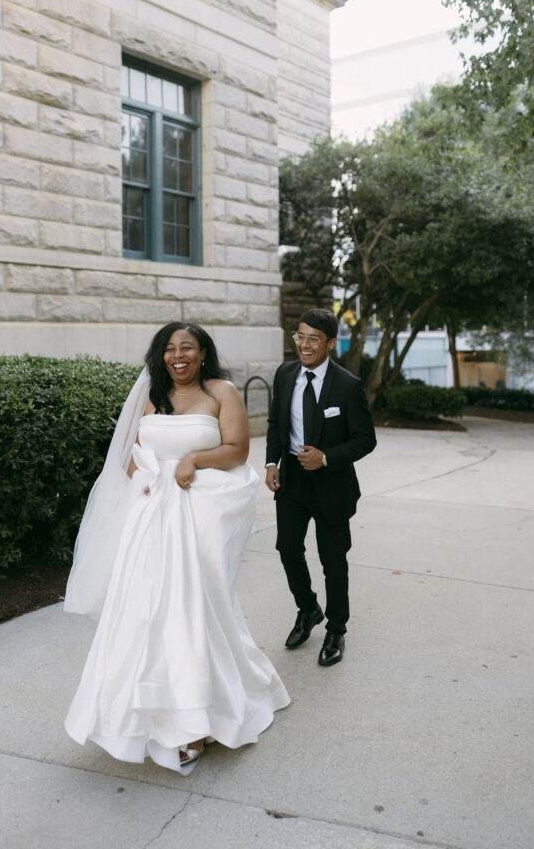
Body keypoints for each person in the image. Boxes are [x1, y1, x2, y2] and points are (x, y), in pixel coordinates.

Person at [64, 322, 289, 774]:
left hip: (202, 517)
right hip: (152, 521)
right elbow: (130, 455)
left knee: (195, 610)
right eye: (169, 349)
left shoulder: (222, 392)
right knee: (144, 613)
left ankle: (197, 720)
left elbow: (238, 450)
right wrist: (147, 480)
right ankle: (141, 718)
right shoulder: (152, 395)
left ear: (203, 352)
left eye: (187, 347)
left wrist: (193, 459)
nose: (178, 355)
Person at [265, 308, 376, 667]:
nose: (305, 345)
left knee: (333, 561)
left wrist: (326, 457)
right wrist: (271, 463)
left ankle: (336, 630)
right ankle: (308, 609)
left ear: (330, 343)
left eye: (314, 338)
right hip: (292, 482)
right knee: (287, 550)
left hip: (331, 485)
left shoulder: (348, 385)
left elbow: (365, 440)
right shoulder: (285, 375)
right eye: (300, 336)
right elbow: (275, 424)